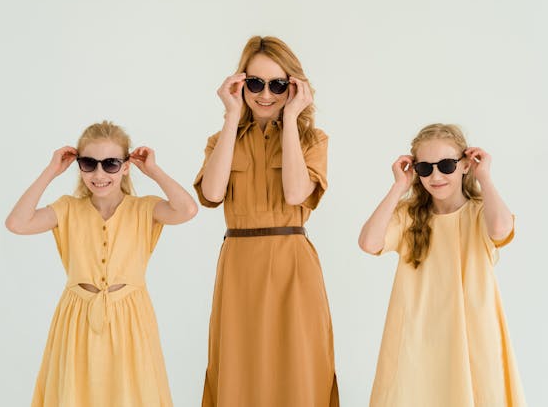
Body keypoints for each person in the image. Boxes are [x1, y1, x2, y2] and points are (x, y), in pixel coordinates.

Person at [5, 120, 197, 407]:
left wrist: (154, 171)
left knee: (132, 393)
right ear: (78, 165)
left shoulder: (144, 208)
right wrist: (51, 172)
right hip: (77, 317)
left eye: (110, 164)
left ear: (126, 165)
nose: (99, 174)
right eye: (88, 163)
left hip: (130, 317)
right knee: (76, 392)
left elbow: (187, 209)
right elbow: (17, 223)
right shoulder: (67, 208)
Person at [195, 36, 339, 406]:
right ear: (241, 84)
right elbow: (211, 193)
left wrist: (290, 119)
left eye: (278, 85)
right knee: (239, 370)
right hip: (239, 266)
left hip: (293, 265)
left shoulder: (311, 139)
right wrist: (231, 116)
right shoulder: (223, 138)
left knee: (299, 368)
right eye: (255, 83)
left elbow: (295, 194)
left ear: (293, 88)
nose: (265, 94)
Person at [359, 123, 525, 406]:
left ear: (464, 165)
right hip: (418, 336)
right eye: (425, 168)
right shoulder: (409, 216)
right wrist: (399, 186)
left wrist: (484, 176)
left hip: (471, 334)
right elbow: (369, 242)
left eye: (446, 165)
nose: (436, 176)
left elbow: (500, 229)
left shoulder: (480, 212)